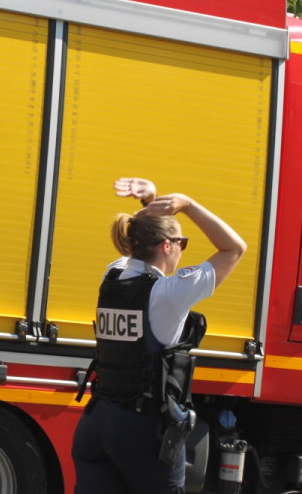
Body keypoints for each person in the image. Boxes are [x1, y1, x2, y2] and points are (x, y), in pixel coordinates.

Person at [72, 177, 246, 494]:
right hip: (141, 432)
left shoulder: (113, 275)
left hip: (96, 425)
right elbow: (234, 248)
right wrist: (188, 205)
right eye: (183, 243)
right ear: (168, 246)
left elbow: (141, 243)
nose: (182, 251)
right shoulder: (167, 294)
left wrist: (150, 205)